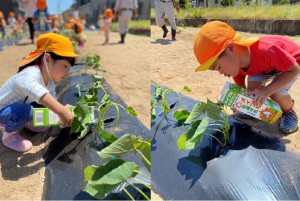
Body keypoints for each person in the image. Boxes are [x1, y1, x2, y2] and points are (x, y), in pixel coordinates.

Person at [193, 21, 300, 134]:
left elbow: (294, 70)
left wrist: (267, 90)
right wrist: (241, 104)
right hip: (268, 66)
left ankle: (289, 114)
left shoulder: (266, 50)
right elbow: (243, 92)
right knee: (251, 90)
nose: (220, 72)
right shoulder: (237, 65)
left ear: (230, 48)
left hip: (291, 64)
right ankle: (254, 111)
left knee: (276, 93)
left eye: (219, 67)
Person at [0, 33, 79, 152]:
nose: (67, 72)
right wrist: (61, 111)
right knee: (24, 110)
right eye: (65, 66)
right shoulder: (30, 73)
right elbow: (34, 90)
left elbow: (51, 99)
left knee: (44, 107)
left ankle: (26, 122)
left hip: (22, 104)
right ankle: (8, 135)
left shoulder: (49, 80)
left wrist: (63, 109)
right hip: (3, 111)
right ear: (48, 58)